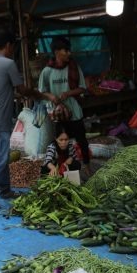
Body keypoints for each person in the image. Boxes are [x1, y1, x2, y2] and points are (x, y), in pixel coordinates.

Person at [0, 29, 54, 211]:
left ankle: (5, 190)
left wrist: (15, 95)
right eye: (13, 46)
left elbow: (2, 90)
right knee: (1, 156)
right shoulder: (8, 63)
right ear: (8, 46)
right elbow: (23, 90)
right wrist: (42, 95)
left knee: (3, 154)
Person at [38, 36, 90, 174]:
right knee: (61, 142)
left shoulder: (74, 67)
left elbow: (82, 88)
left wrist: (68, 93)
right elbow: (41, 92)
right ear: (56, 52)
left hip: (75, 111)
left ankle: (86, 165)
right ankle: (62, 168)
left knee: (81, 140)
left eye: (69, 50)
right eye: (65, 50)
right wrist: (51, 96)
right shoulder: (47, 71)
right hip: (58, 114)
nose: (69, 53)